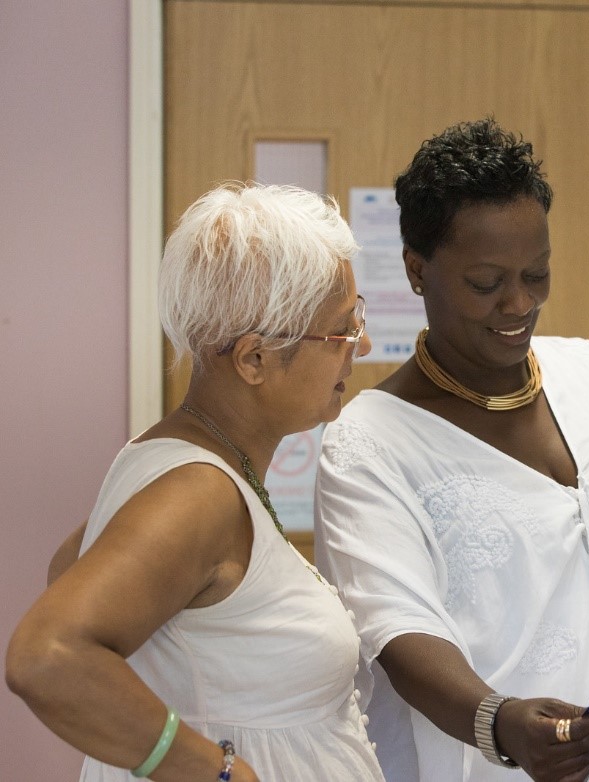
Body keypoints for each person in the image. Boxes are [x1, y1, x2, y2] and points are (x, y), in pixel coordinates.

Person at [315, 119, 589, 781]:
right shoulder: (369, 443)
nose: (519, 303)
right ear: (416, 270)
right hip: (507, 764)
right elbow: (397, 633)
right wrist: (498, 720)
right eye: (486, 284)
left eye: (536, 274)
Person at [6, 184, 385, 782]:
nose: (360, 345)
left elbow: (67, 569)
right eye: (341, 329)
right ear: (254, 360)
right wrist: (220, 772)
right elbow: (47, 658)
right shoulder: (197, 493)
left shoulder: (181, 463)